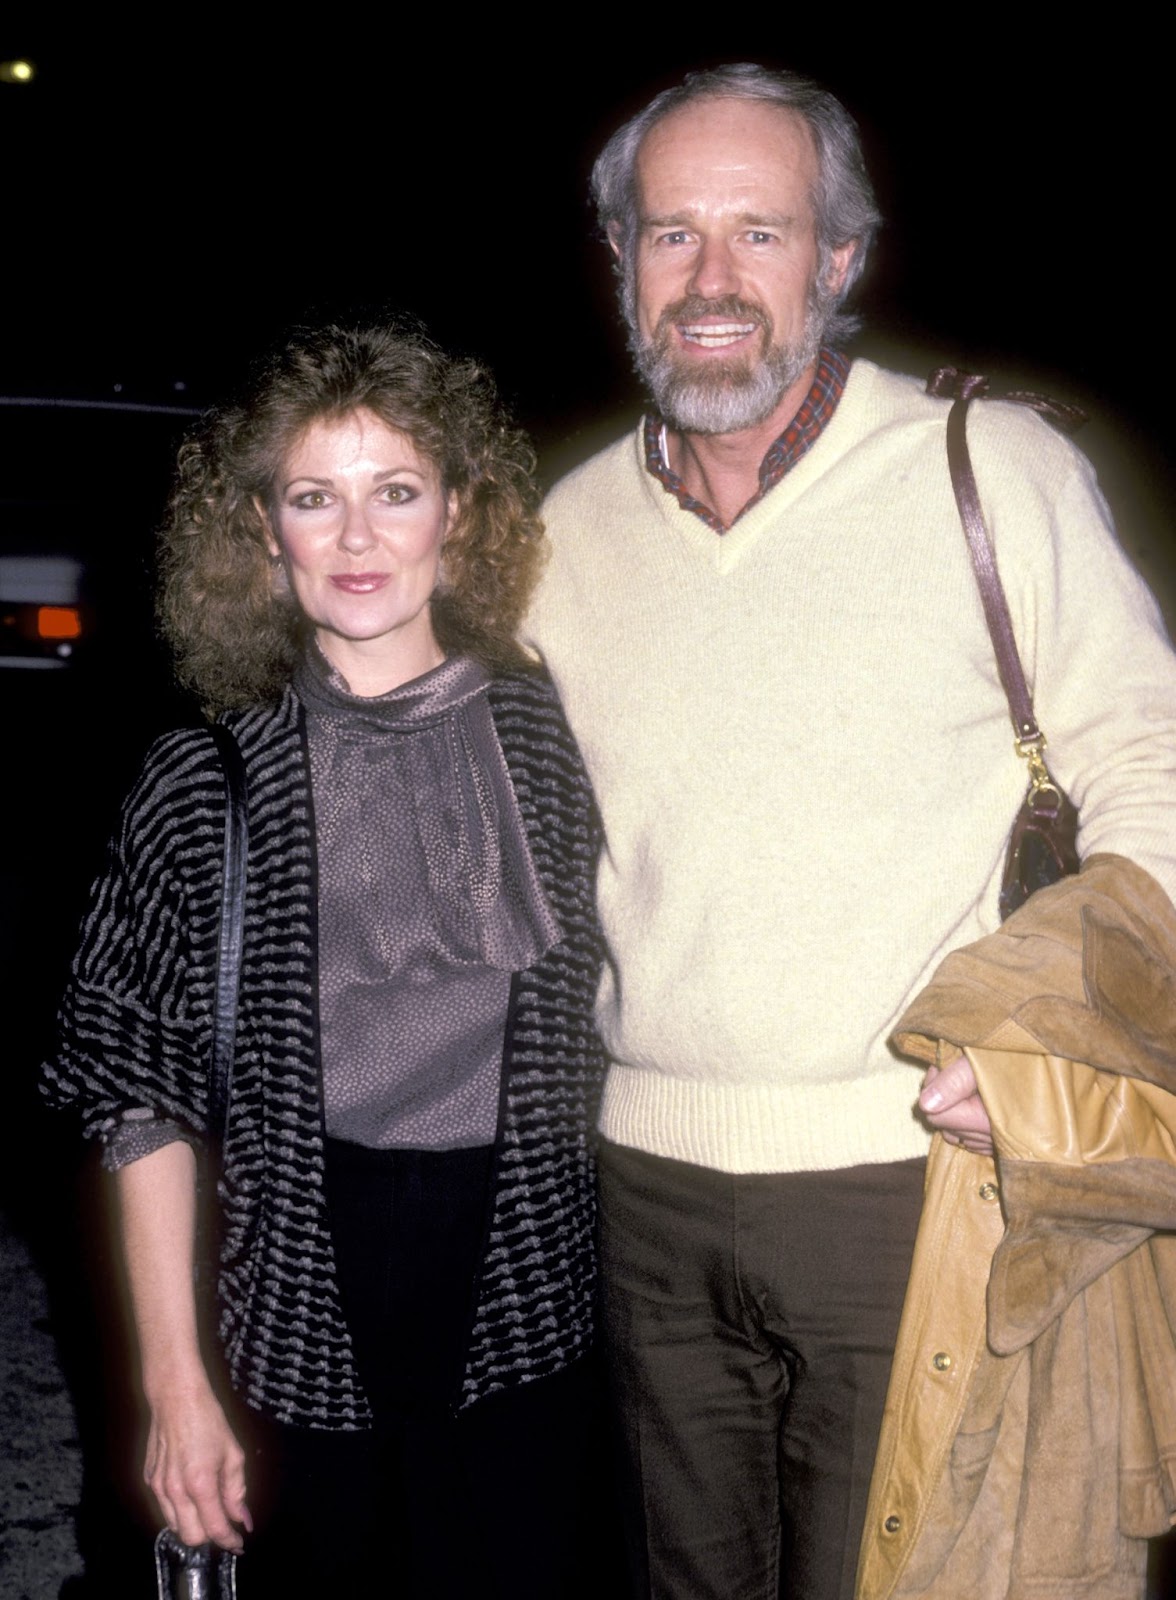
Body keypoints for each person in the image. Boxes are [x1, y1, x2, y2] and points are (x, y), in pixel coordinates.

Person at [523, 63, 1176, 1600]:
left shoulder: (989, 471)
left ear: (839, 260)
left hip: (918, 1182)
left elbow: (1150, 751)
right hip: (645, 1188)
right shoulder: (559, 536)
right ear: (619, 262)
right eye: (671, 235)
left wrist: (1059, 1036)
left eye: (762, 232)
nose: (712, 281)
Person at [42, 320, 607, 1597]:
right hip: (297, 1290)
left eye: (395, 491)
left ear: (458, 515)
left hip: (536, 1290)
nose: (357, 539)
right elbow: (140, 1103)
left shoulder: (561, 737)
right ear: (263, 531)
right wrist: (176, 1386)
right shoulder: (203, 780)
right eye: (315, 497)